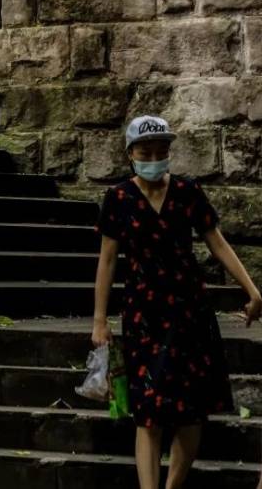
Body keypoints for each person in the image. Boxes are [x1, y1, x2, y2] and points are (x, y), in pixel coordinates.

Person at [92, 113, 262, 489]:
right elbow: (107, 260)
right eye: (146, 152)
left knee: (192, 410)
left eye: (161, 151)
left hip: (190, 313)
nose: (154, 159)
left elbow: (216, 242)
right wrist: (99, 320)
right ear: (130, 154)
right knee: (148, 412)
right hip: (144, 316)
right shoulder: (118, 198)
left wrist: (252, 290)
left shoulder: (188, 192)